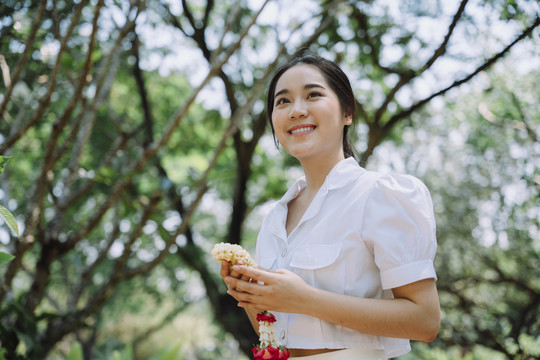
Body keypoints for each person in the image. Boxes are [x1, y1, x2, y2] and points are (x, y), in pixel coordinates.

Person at [220, 55, 440, 359]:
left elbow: (425, 321)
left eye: (313, 95)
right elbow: (272, 332)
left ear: (347, 111)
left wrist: (305, 299)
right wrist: (251, 296)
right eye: (282, 102)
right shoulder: (274, 219)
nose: (296, 111)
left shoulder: (380, 195)